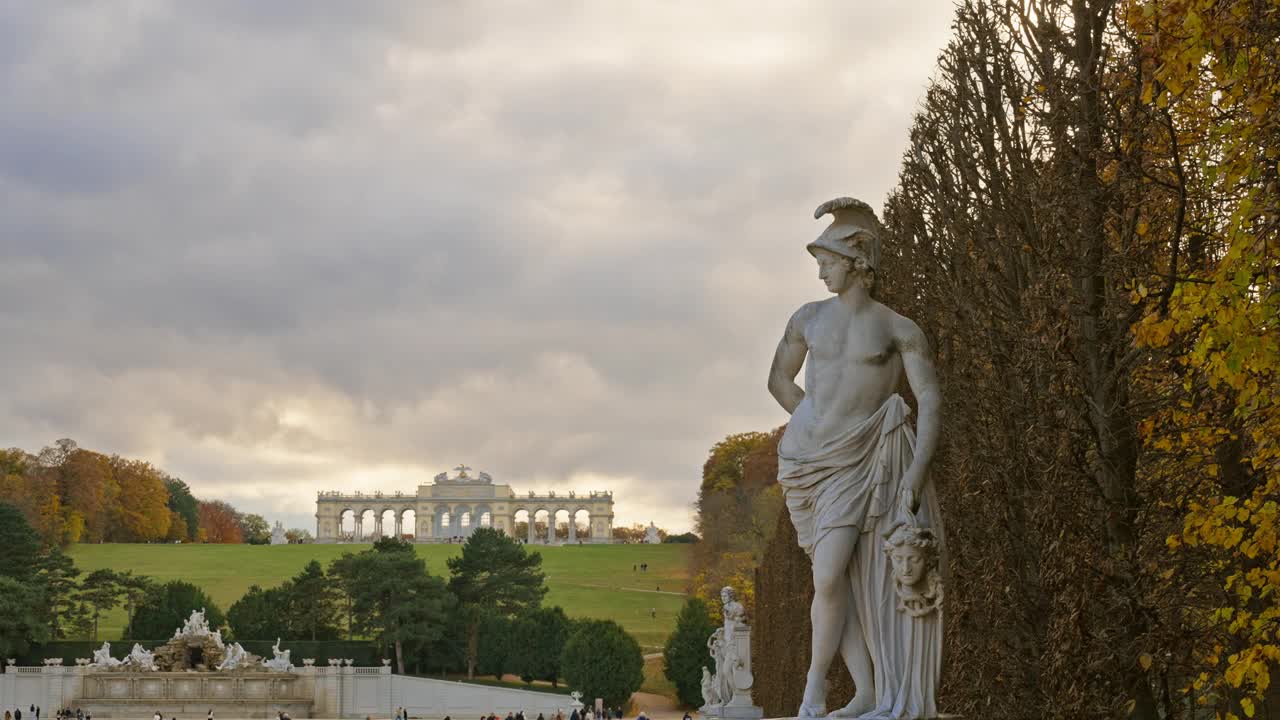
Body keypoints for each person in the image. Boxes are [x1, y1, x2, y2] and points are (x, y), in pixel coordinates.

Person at [768, 197, 945, 718]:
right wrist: (811, 421)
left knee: (827, 576)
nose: (820, 272)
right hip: (804, 463)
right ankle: (864, 692)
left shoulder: (898, 329)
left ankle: (814, 687)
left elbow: (929, 400)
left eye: (828, 262)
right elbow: (779, 380)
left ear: (858, 262)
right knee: (835, 578)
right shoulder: (808, 319)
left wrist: (914, 473)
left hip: (857, 463)